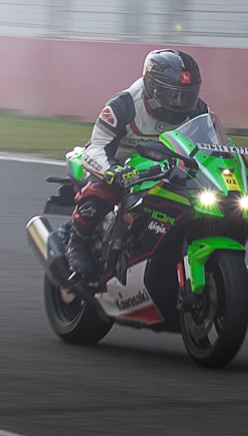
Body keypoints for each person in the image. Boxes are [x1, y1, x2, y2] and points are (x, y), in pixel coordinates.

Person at [65, 49, 209, 281]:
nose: (180, 102)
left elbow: (212, 145)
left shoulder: (199, 111)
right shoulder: (123, 105)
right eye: (172, 94)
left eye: (187, 95)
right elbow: (96, 148)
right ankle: (77, 243)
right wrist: (112, 172)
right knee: (101, 192)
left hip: (168, 169)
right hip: (121, 165)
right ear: (152, 87)